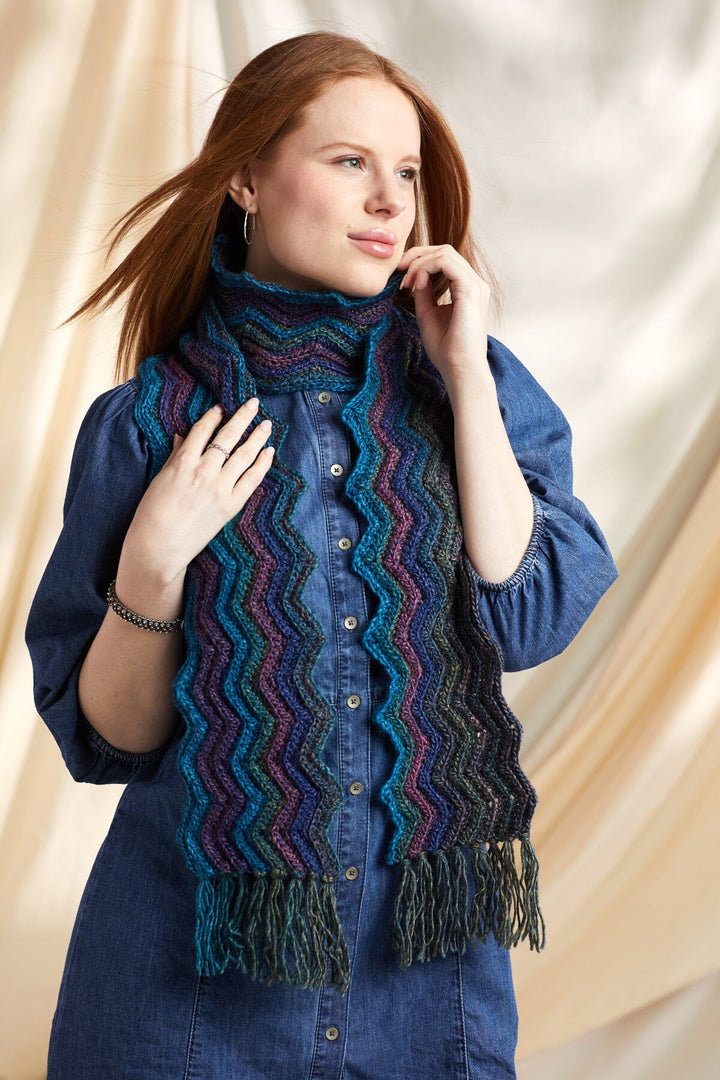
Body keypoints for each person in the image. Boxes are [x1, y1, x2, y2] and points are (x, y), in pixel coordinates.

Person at [26, 30, 617, 1080]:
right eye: (351, 162)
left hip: (426, 998)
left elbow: (527, 618)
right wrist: (150, 566)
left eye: (407, 173)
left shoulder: (473, 388)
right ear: (247, 179)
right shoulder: (147, 424)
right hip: (186, 999)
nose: (390, 200)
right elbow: (113, 740)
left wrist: (466, 378)